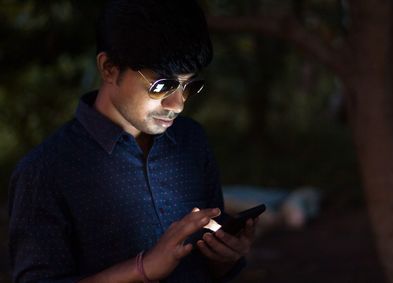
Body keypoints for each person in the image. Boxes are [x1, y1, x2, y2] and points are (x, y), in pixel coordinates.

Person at [8, 0, 258, 282]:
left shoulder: (191, 140)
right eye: (162, 85)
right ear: (109, 68)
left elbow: (207, 267)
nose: (177, 105)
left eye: (188, 85)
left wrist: (225, 257)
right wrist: (142, 269)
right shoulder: (45, 170)